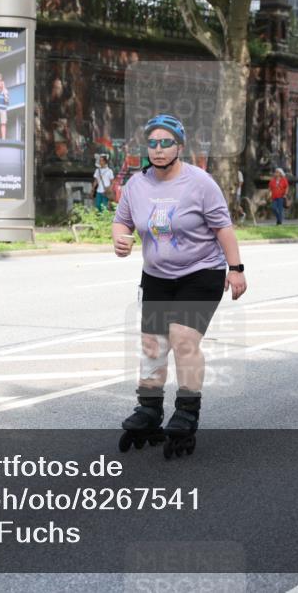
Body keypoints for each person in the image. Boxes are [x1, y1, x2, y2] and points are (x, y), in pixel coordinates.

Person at [113, 114, 247, 458]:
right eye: (153, 143)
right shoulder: (136, 185)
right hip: (157, 276)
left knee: (183, 340)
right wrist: (120, 240)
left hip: (201, 272)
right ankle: (149, 409)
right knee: (152, 344)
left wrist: (236, 268)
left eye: (165, 143)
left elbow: (224, 229)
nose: (158, 150)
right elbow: (122, 221)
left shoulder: (200, 183)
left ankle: (187, 412)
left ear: (179, 146)